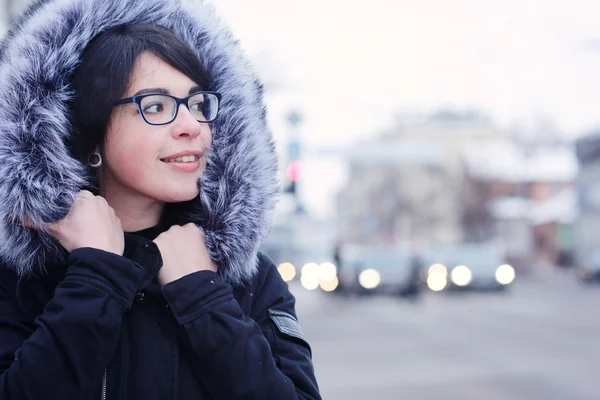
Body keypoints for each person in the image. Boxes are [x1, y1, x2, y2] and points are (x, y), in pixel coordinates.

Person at [0, 0, 321, 399]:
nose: (192, 126)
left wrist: (203, 299)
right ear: (91, 134)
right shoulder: (19, 280)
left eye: (197, 104)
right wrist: (95, 276)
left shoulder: (247, 280)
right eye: (156, 106)